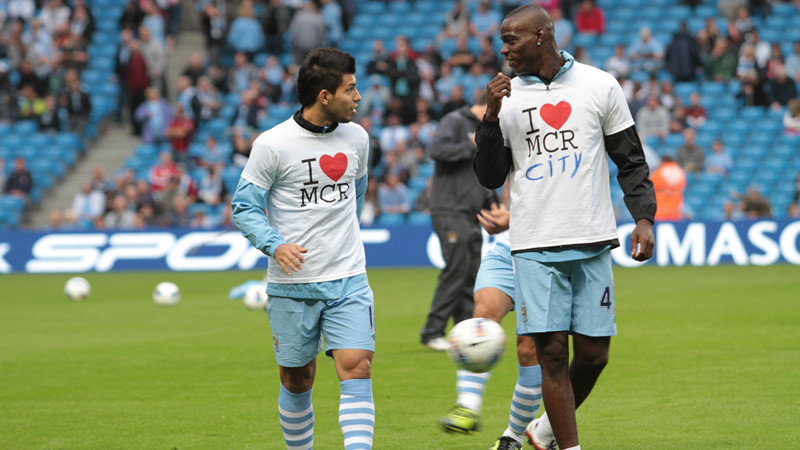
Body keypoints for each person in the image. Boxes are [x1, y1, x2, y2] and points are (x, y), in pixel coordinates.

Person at [474, 6, 656, 449]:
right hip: (534, 244)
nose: (504, 49)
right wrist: (491, 116)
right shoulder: (507, 96)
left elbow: (629, 159)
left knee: (594, 356)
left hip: (592, 240)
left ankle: (544, 430)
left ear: (540, 36)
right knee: (551, 353)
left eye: (511, 39)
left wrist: (644, 217)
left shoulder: (599, 85)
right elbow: (490, 175)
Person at [231, 48, 375, 450]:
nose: (358, 97)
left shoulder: (358, 137)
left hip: (348, 278)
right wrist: (275, 246)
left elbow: (356, 195)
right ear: (325, 96)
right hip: (293, 285)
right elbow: (244, 206)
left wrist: (342, 241)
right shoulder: (272, 145)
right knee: (298, 378)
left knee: (358, 367)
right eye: (350, 88)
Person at [439, 201, 549, 450]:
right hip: (509, 247)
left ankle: (514, 436)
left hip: (548, 253)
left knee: (529, 346)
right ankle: (467, 406)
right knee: (482, 322)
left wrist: (517, 217)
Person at [420, 92, 496, 351]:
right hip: (449, 209)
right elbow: (436, 150)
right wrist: (473, 144)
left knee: (470, 273)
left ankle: (463, 331)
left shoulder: (485, 129)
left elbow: (479, 173)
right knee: (456, 270)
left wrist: (491, 201)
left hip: (470, 211)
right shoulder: (454, 120)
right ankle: (432, 331)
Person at [651, 155, 687, 221]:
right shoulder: (680, 172)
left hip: (661, 211)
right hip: (675, 211)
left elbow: (651, 187)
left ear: (663, 161)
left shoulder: (659, 172)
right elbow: (682, 187)